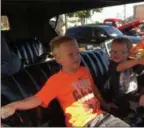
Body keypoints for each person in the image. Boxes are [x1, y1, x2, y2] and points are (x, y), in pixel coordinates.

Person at [1, 36, 130, 127]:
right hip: (81, 123)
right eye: (70, 54)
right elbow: (38, 99)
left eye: (77, 53)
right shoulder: (56, 81)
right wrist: (14, 105)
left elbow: (94, 89)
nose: (76, 57)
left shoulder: (84, 70)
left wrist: (105, 104)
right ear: (58, 59)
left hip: (101, 116)